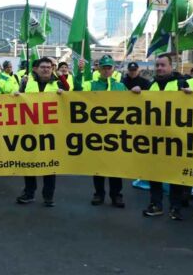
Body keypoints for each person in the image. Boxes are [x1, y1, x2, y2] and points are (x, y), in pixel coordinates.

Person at [131, 53, 192, 220]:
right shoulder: (151, 86)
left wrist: (191, 95)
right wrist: (136, 93)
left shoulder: (180, 83)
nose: (159, 68)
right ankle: (156, 204)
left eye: (162, 65)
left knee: (175, 175)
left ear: (170, 67)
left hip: (175, 138)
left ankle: (175, 207)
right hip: (155, 139)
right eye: (157, 65)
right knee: (155, 173)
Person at [14, 58, 67, 207]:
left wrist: (64, 95)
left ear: (52, 69)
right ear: (36, 69)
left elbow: (70, 102)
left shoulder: (59, 84)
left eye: (48, 67)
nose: (45, 69)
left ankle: (48, 196)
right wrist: (16, 95)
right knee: (29, 163)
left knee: (49, 164)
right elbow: (17, 102)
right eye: (43, 67)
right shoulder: (26, 82)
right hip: (29, 130)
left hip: (51, 132)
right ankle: (29, 193)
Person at [78, 55, 127, 208]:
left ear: (113, 69)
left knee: (116, 167)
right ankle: (99, 194)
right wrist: (79, 73)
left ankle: (116, 195)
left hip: (115, 133)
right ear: (98, 69)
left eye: (109, 67)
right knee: (98, 166)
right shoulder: (90, 85)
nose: (106, 70)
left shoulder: (120, 86)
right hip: (96, 133)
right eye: (104, 67)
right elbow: (78, 91)